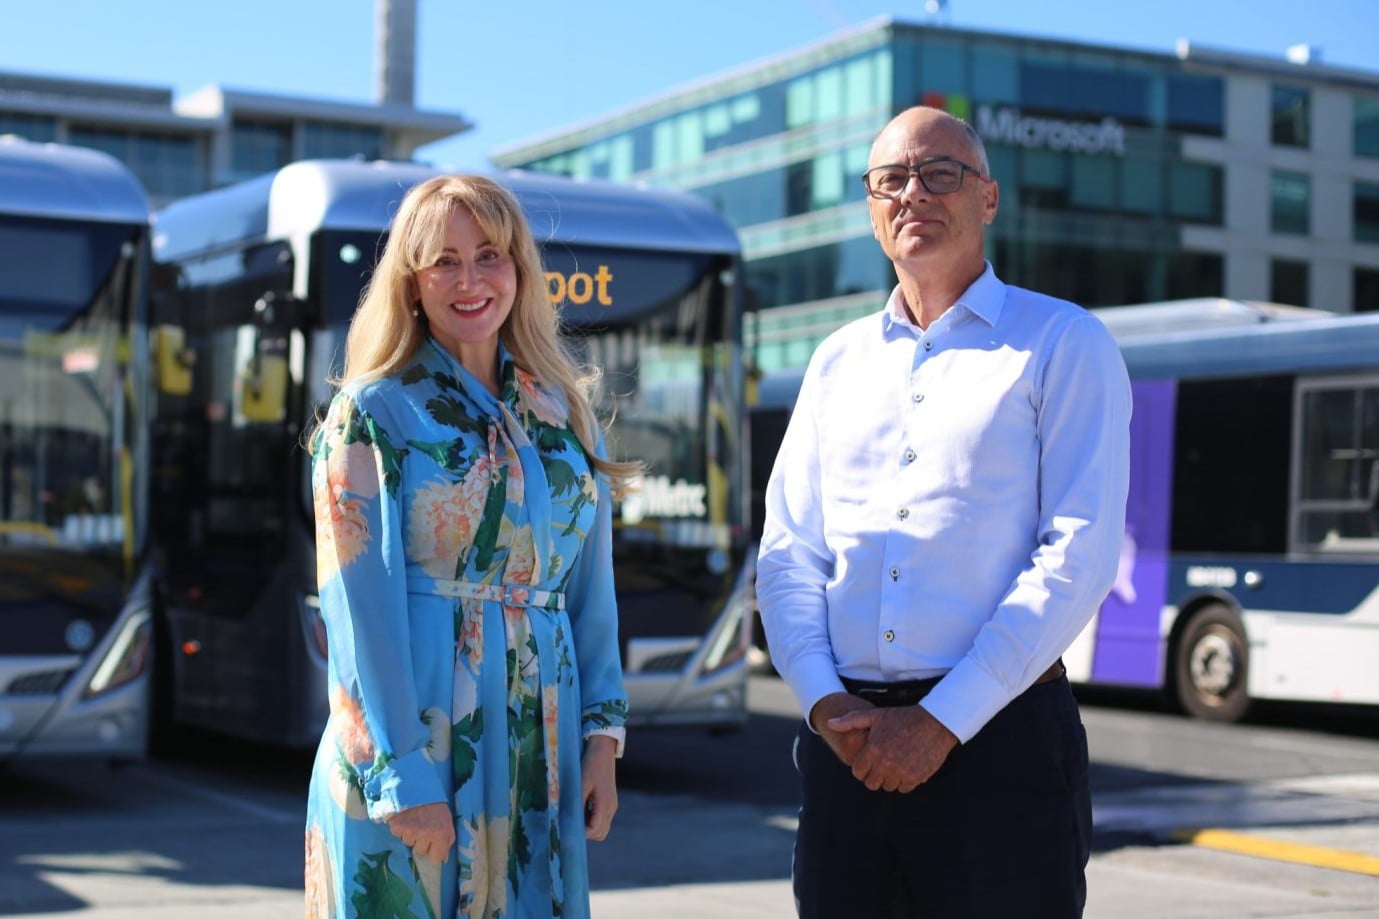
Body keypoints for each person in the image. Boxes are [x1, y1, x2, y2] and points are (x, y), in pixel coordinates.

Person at [755, 106, 1132, 918]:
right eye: (890, 179)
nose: (912, 193)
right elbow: (789, 551)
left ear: (988, 199)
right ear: (870, 207)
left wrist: (939, 721)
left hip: (999, 745)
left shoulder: (1063, 343)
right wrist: (822, 700)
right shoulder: (835, 361)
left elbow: (1078, 551)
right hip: (843, 751)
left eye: (940, 174)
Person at [303, 174, 637, 919]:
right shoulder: (372, 412)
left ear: (519, 267)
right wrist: (402, 776)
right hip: (410, 755)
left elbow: (590, 595)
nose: (469, 279)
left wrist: (601, 740)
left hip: (534, 757)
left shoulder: (566, 414)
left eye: (488, 255)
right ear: (411, 283)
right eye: (442, 261)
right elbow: (358, 612)